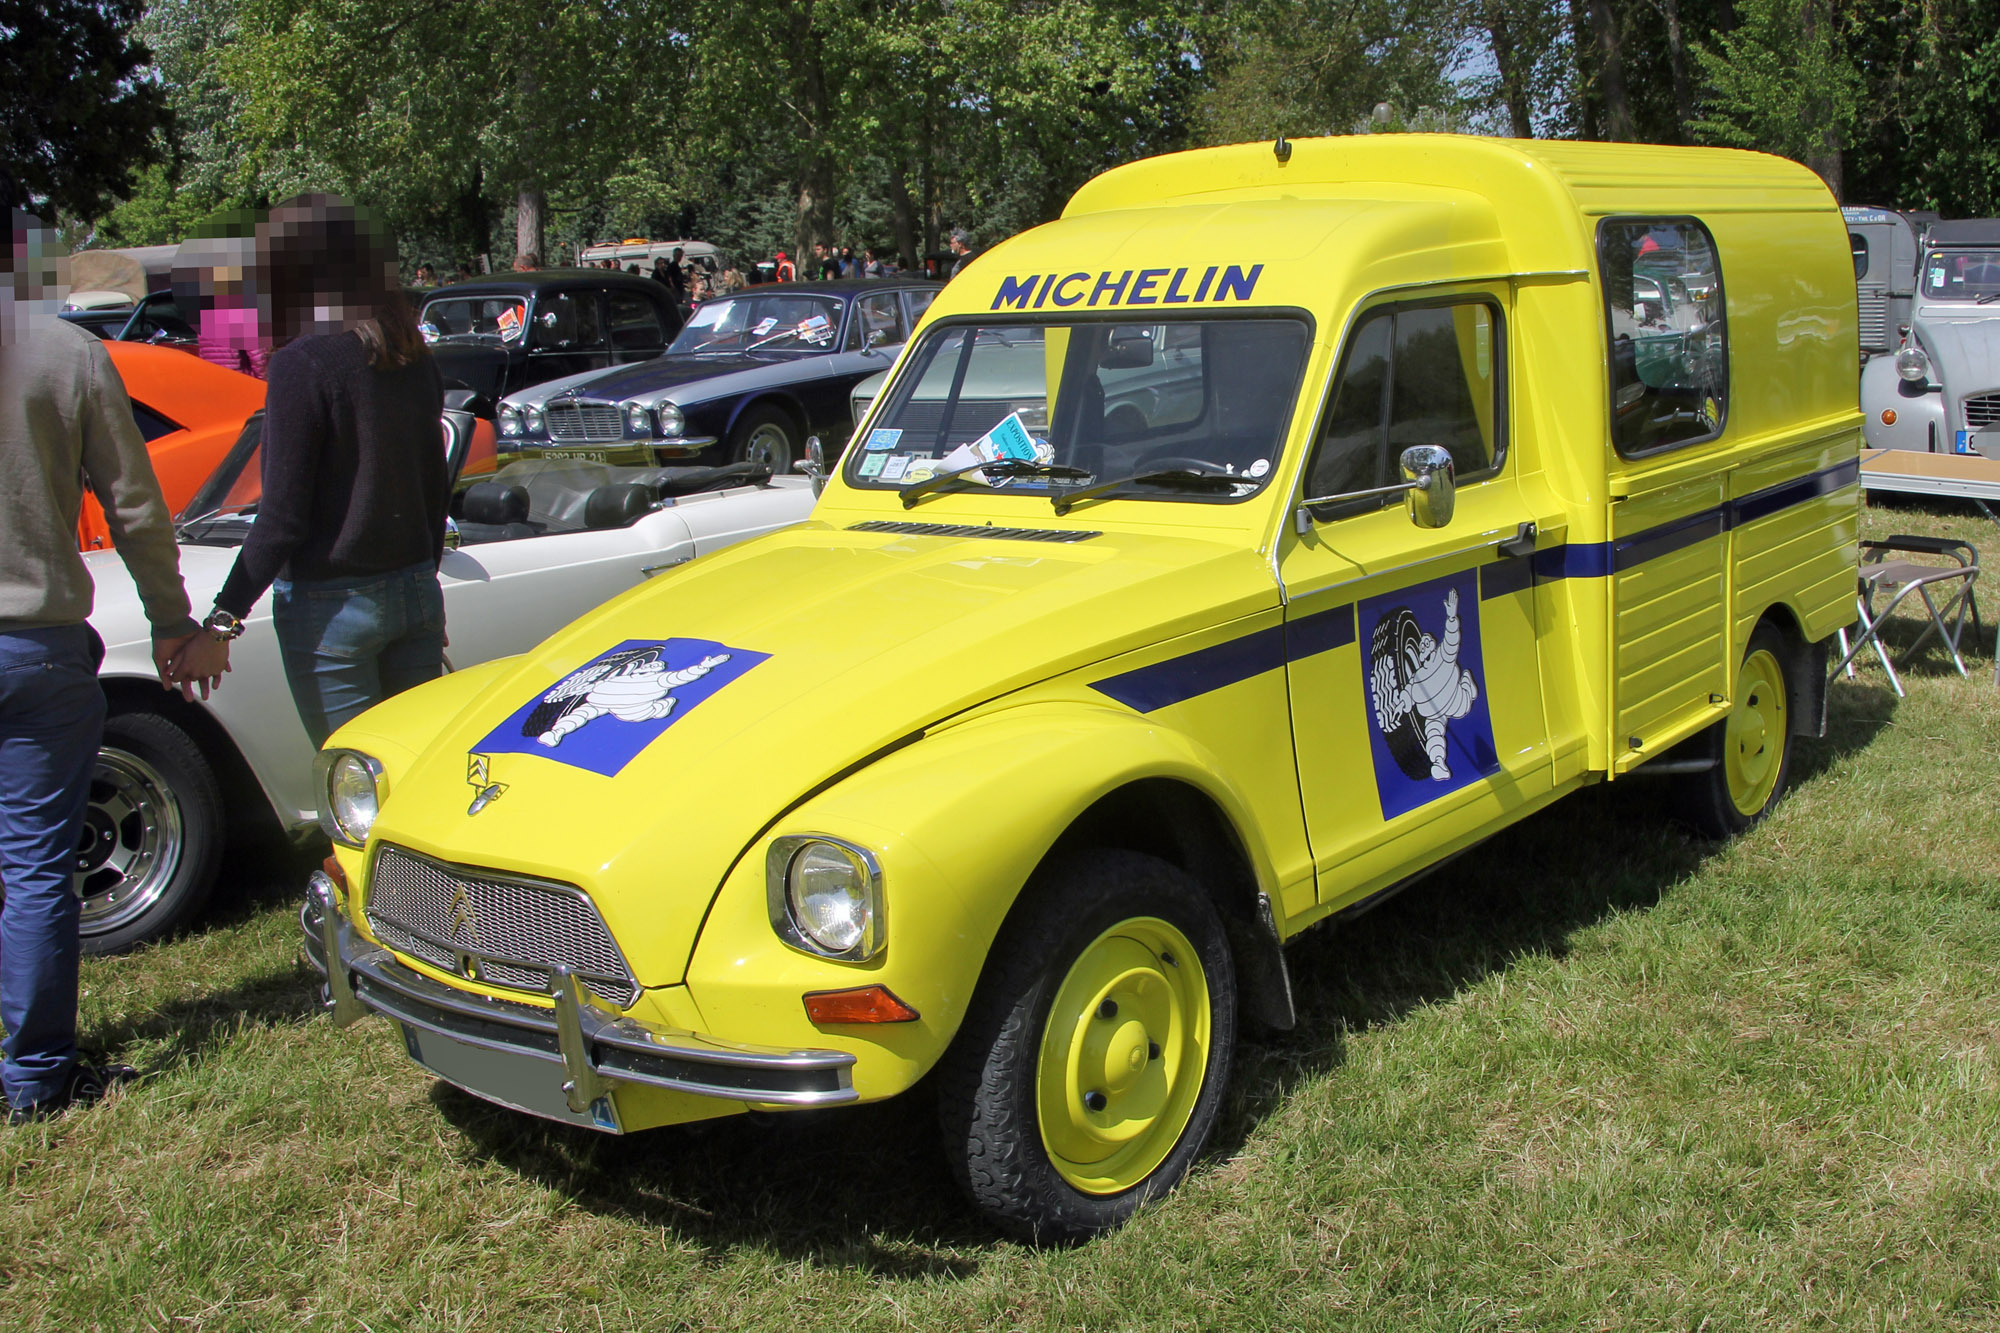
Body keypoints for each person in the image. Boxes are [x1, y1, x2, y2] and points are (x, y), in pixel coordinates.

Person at [0, 209, 230, 1123]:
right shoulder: (66, 355)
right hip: (36, 639)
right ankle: (36, 1077)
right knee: (34, 869)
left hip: (41, 645)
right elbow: (135, 508)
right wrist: (173, 624)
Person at [207, 196, 448, 748]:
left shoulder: (303, 363)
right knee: (413, 778)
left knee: (355, 784)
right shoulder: (413, 356)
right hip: (414, 588)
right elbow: (433, 489)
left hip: (331, 606)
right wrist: (423, 586)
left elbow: (282, 518)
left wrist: (222, 620)